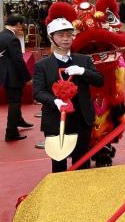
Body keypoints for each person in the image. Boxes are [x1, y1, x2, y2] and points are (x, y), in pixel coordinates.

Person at [33, 18, 104, 172]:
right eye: (61, 35)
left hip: (81, 118)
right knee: (58, 163)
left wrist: (83, 71)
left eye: (69, 35)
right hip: (55, 119)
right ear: (51, 38)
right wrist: (55, 102)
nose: (66, 39)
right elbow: (38, 92)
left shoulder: (83, 60)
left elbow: (99, 81)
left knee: (82, 162)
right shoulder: (42, 65)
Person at [0, 14, 33, 141]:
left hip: (4, 74)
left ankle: (19, 120)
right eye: (22, 24)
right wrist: (27, 77)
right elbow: (18, 61)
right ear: (18, 24)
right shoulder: (12, 39)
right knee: (14, 102)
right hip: (13, 76)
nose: (23, 26)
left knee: (14, 101)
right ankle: (11, 132)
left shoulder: (2, 35)